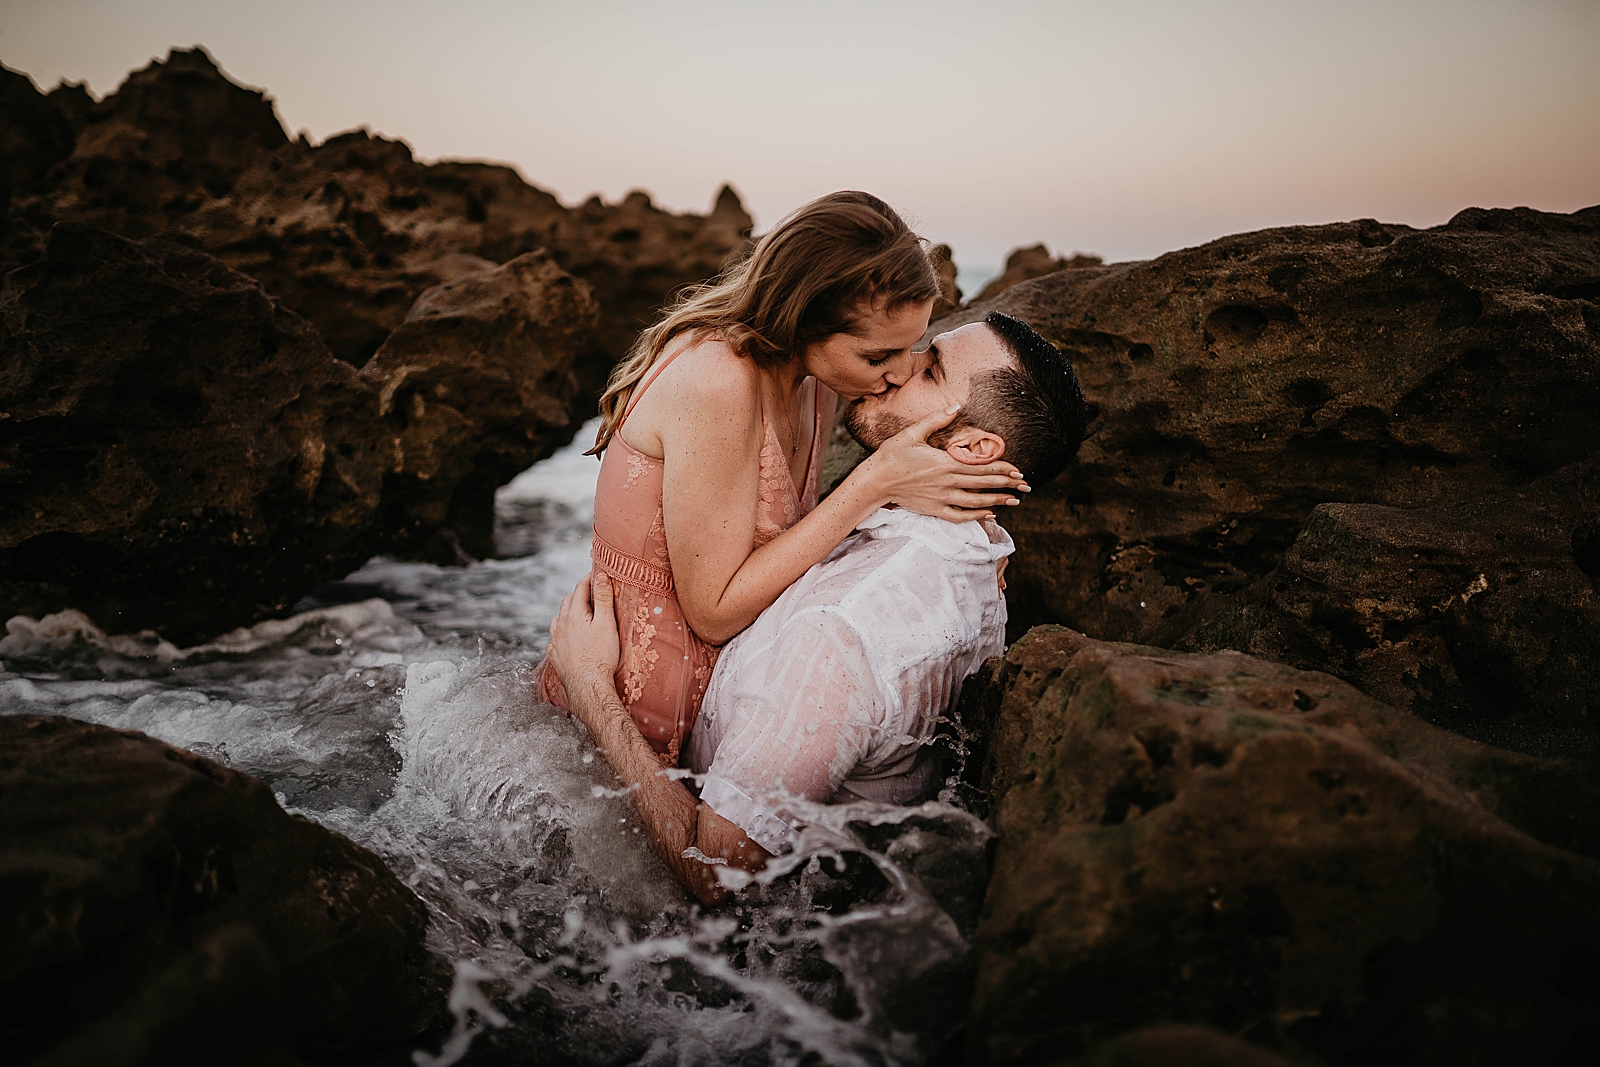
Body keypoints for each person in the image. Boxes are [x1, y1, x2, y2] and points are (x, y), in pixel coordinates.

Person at [545, 312, 1088, 904]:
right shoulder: (977, 553)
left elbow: (717, 877)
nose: (900, 370)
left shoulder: (843, 630)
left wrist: (590, 684)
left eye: (930, 371)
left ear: (973, 448)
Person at [532, 191, 1028, 766]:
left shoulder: (813, 379)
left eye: (911, 347)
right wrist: (871, 485)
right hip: (627, 711)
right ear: (802, 320)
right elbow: (712, 613)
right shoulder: (719, 381)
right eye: (877, 357)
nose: (898, 373)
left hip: (733, 716)